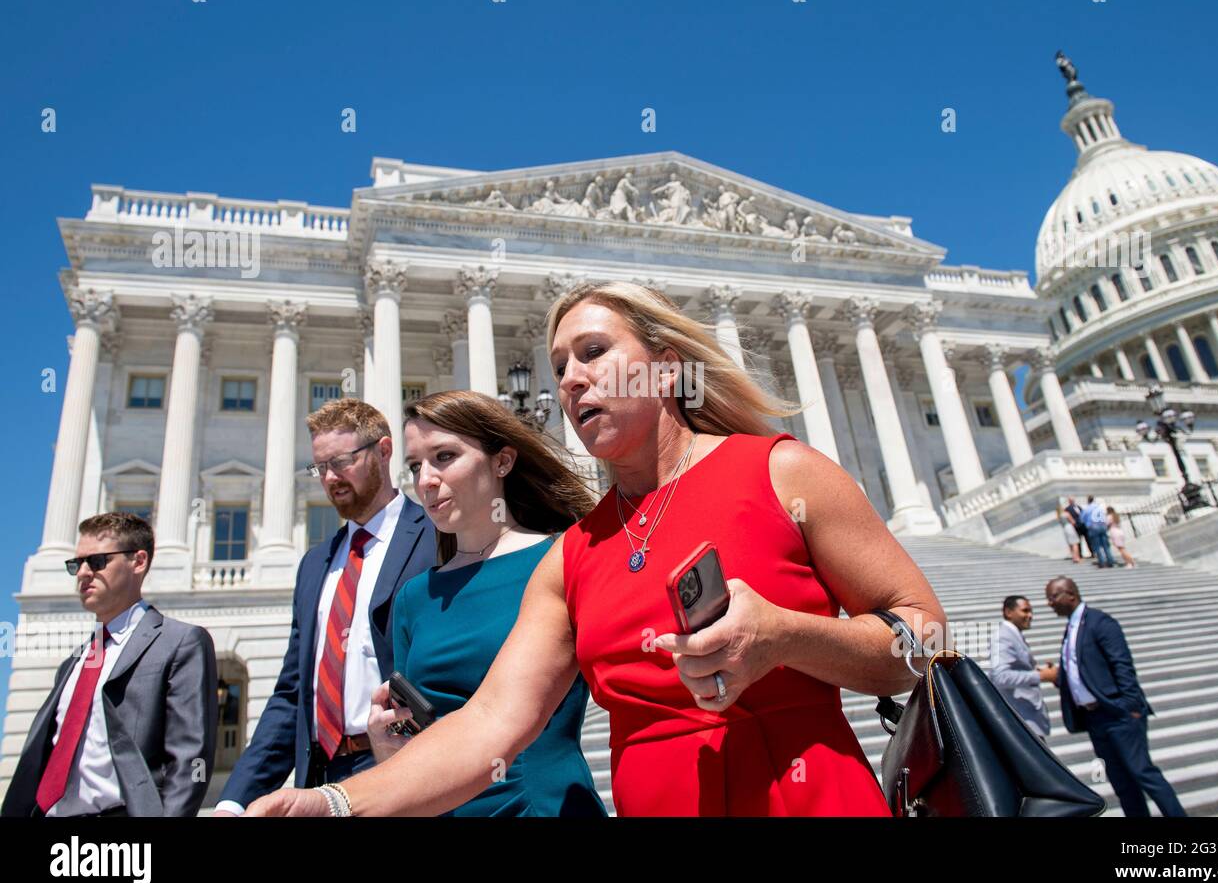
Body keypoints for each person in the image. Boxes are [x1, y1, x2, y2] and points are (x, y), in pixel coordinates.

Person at [246, 280, 947, 817]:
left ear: (666, 370)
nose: (570, 379)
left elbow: (928, 638)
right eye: (558, 366)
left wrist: (788, 636)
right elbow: (490, 723)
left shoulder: (780, 471)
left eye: (593, 352)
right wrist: (336, 802)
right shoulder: (574, 554)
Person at [366, 390, 606, 816]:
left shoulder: (563, 560)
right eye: (416, 465)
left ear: (503, 461)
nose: (425, 480)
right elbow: (416, 738)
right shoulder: (412, 598)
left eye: (444, 456)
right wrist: (388, 751)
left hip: (544, 807)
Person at [213, 399, 439, 815]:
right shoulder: (314, 564)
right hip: (319, 772)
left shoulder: (436, 538)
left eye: (341, 462)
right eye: (320, 467)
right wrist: (233, 801)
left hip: (397, 764)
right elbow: (292, 693)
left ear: (384, 451)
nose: (330, 478)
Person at [2, 512, 217, 817]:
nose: (83, 574)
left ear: (138, 562)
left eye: (98, 561)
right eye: (77, 565)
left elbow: (191, 757)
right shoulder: (72, 664)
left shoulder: (180, 642)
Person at [1045, 576, 1186, 817]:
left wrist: (1130, 706)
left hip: (1117, 714)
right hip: (1095, 719)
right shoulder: (1072, 628)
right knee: (1122, 784)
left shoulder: (1100, 622)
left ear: (1071, 594)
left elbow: (1122, 665)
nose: (1049, 603)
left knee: (1143, 773)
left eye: (1053, 597)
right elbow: (1084, 670)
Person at [989, 595, 1055, 743]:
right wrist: (1040, 676)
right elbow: (1000, 677)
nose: (1030, 615)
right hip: (1020, 720)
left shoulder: (1012, 634)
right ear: (1008, 612)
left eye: (1031, 611)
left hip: (1024, 720)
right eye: (1025, 611)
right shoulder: (1003, 636)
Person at [1080, 495, 1116, 568]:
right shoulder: (1099, 507)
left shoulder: (1086, 509)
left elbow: (1082, 520)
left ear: (1088, 501)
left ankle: (1102, 562)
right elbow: (1104, 516)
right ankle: (1110, 560)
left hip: (1093, 527)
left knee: (1097, 546)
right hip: (1102, 526)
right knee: (1106, 545)